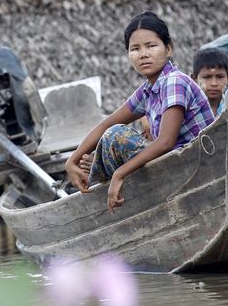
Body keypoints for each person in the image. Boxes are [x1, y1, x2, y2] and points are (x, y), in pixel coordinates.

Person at [66, 11, 215, 211]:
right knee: (110, 135)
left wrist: (120, 174)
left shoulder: (174, 81)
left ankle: (103, 190)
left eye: (151, 46)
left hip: (198, 167)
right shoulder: (148, 90)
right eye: (135, 48)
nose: (143, 54)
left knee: (116, 136)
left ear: (168, 49)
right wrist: (72, 161)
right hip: (179, 167)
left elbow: (166, 142)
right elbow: (106, 123)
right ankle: (101, 183)